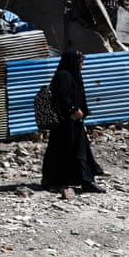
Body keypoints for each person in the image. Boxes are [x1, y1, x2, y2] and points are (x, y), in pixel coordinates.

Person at [40, 50, 105, 196]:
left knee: (75, 150)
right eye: (80, 61)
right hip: (65, 123)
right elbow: (62, 97)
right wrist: (74, 109)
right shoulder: (64, 76)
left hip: (72, 123)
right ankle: (63, 181)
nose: (82, 65)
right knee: (67, 151)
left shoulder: (71, 75)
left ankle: (83, 180)